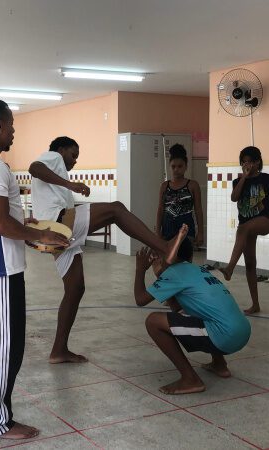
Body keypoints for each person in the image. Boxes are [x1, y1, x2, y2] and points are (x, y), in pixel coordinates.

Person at [0, 98, 69, 440]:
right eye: (13, 127)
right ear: (0, 126)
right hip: (1, 272)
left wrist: (25, 222)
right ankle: (0, 421)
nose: (14, 134)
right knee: (5, 345)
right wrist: (39, 234)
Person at [29, 136, 187, 364]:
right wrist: (70, 184)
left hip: (55, 234)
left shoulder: (57, 170)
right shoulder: (53, 157)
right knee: (116, 210)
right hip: (57, 223)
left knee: (75, 289)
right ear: (61, 150)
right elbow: (35, 168)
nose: (74, 162)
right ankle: (164, 248)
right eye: (73, 155)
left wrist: (67, 186)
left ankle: (58, 350)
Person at [134, 238, 251, 395]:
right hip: (242, 331)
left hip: (225, 336)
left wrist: (140, 269)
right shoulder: (197, 269)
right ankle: (219, 364)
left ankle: (190, 379)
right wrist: (160, 276)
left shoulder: (174, 273)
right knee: (204, 314)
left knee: (153, 321)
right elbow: (177, 309)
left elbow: (140, 299)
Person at [220, 147, 269, 315]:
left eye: (249, 161)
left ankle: (230, 268)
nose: (246, 164)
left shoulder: (266, 179)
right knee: (250, 264)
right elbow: (234, 198)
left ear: (257, 162)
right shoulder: (238, 181)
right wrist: (244, 179)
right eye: (243, 161)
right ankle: (255, 304)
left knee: (243, 228)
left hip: (264, 221)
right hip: (246, 226)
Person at [156, 144, 204, 248]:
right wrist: (158, 232)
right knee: (168, 260)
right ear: (170, 166)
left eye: (180, 166)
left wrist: (200, 233)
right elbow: (160, 210)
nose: (176, 169)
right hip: (168, 229)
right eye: (173, 166)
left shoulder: (192, 185)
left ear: (186, 166)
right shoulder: (164, 186)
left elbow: (198, 211)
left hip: (186, 228)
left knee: (185, 261)